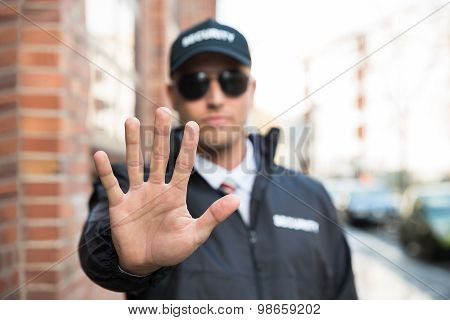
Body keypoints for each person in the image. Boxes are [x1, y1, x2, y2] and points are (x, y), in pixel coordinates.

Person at [79, 18, 358, 299]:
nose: (215, 98)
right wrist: (129, 263)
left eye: (232, 81)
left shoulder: (312, 197)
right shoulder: (135, 191)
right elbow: (97, 255)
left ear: (251, 90)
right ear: (172, 95)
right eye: (195, 83)